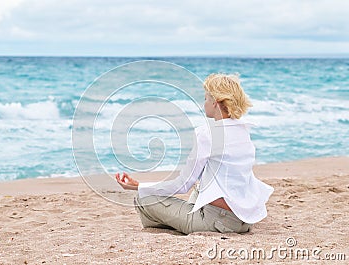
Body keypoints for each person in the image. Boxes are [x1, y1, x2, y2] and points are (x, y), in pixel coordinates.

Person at [115, 73, 274, 235]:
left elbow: (183, 185)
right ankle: (179, 220)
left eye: (206, 98)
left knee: (144, 199)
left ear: (216, 102)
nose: (204, 103)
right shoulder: (243, 130)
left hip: (216, 221)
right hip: (244, 221)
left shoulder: (208, 133)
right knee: (200, 188)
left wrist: (139, 186)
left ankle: (173, 224)